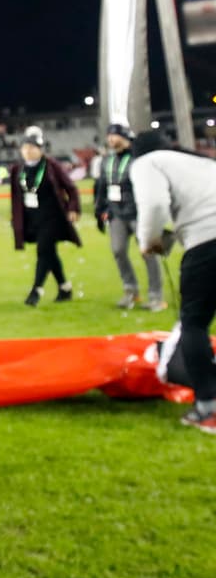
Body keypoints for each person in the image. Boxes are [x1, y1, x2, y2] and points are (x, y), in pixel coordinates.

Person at [129, 129, 216, 433]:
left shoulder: (147, 163)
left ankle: (208, 408)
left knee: (194, 323)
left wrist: (149, 241)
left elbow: (154, 205)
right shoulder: (200, 161)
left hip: (207, 243)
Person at [93, 123, 164, 311]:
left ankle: (156, 295)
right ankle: (131, 290)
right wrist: (99, 210)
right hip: (116, 213)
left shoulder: (137, 158)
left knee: (148, 253)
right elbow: (102, 186)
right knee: (118, 250)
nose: (110, 139)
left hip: (138, 213)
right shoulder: (106, 160)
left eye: (114, 135)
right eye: (109, 135)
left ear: (124, 137)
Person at [9, 125, 81, 306]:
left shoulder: (51, 166)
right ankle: (64, 288)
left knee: (43, 250)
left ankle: (36, 290)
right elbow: (16, 197)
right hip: (31, 217)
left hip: (52, 216)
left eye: (32, 148)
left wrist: (73, 208)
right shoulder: (18, 169)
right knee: (50, 253)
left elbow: (71, 188)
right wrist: (15, 218)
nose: (28, 151)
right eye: (25, 148)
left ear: (40, 149)